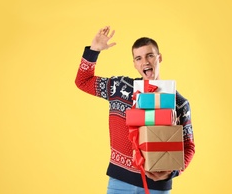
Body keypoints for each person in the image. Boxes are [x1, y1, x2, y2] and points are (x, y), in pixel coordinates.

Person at [75, 26, 195, 194]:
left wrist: (172, 172)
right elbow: (83, 81)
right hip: (119, 182)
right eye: (139, 58)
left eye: (150, 55)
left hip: (157, 187)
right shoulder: (119, 88)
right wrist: (94, 50)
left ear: (159, 58)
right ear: (135, 64)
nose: (145, 62)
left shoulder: (180, 103)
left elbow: (189, 146)